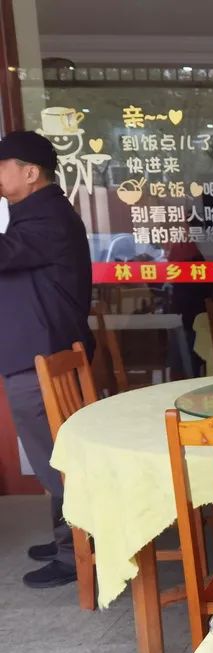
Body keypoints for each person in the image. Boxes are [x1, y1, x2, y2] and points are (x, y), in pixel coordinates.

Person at [0, 130, 95, 588]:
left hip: (41, 360)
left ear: (30, 173)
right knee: (55, 455)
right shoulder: (37, 214)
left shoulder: (49, 216)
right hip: (38, 353)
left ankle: (77, 552)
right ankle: (67, 537)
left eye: (2, 167)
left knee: (55, 460)